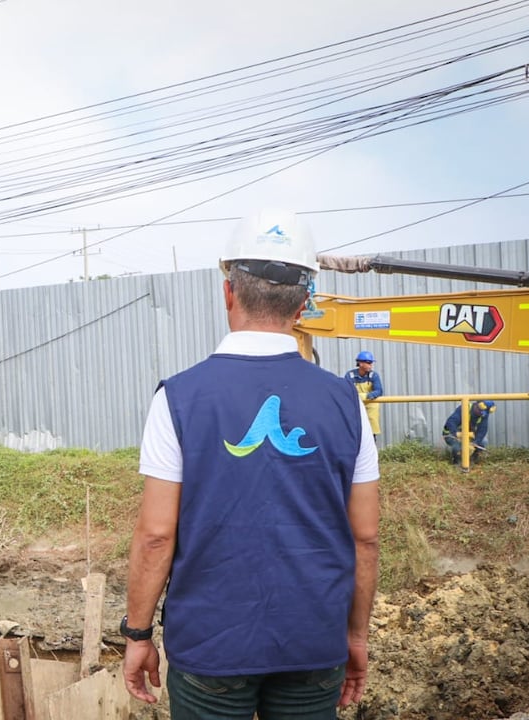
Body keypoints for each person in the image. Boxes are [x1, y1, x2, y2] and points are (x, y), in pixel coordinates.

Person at [123, 209, 381, 719]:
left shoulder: (178, 398)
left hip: (211, 646)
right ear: (305, 303)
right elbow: (366, 536)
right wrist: (355, 634)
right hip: (313, 640)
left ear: (228, 293)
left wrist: (137, 633)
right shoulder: (345, 401)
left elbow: (156, 534)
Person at [343, 350, 384, 438]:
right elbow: (346, 390)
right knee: (355, 428)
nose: (370, 365)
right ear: (360, 363)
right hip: (355, 405)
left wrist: (368, 396)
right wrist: (359, 397)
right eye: (368, 363)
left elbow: (379, 390)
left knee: (371, 429)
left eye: (371, 363)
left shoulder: (374, 375)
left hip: (370, 405)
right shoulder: (350, 375)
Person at [443, 400, 494, 466]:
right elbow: (451, 422)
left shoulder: (484, 414)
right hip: (451, 434)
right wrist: (456, 435)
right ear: (476, 405)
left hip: (468, 434)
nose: (481, 414)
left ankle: (472, 460)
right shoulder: (464, 408)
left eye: (483, 413)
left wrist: (475, 443)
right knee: (457, 446)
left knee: (483, 441)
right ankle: (457, 462)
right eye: (480, 411)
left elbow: (482, 430)